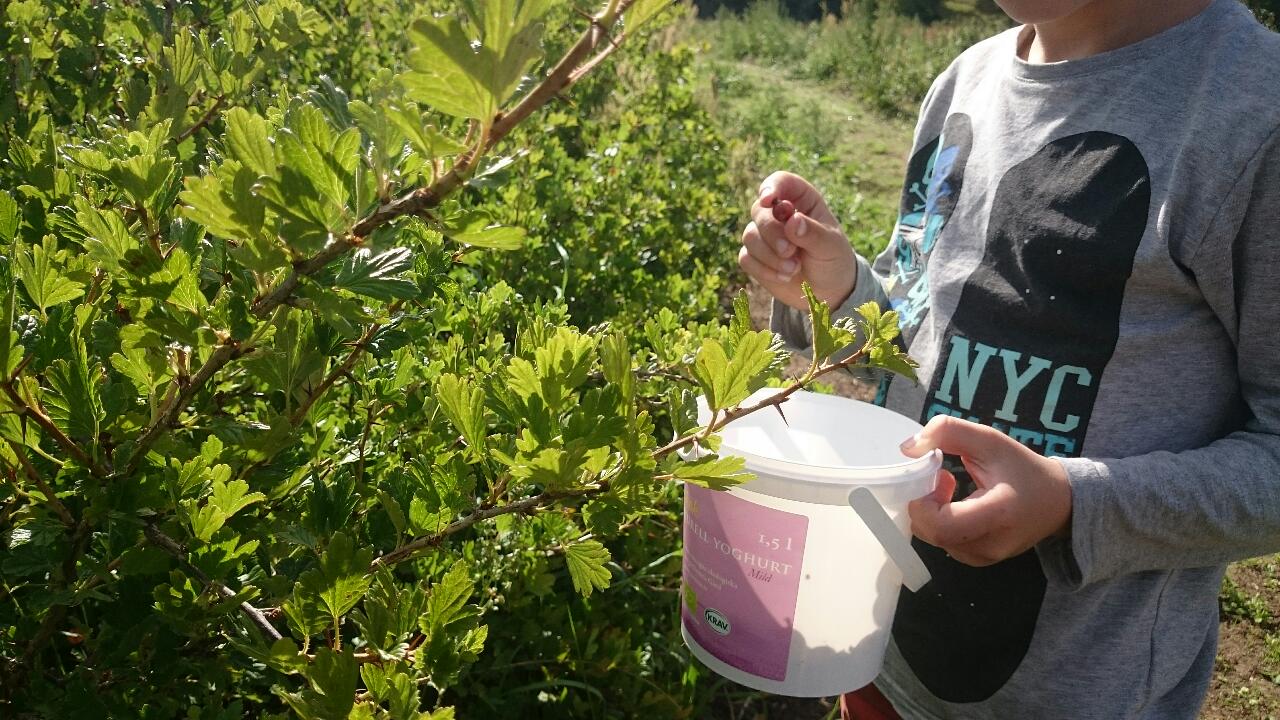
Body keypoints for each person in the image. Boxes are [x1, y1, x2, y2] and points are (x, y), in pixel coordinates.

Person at [738, 1, 1280, 717]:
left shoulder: (1255, 116)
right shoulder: (964, 81)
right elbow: (921, 330)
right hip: (882, 656)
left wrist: (1071, 505)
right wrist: (841, 292)